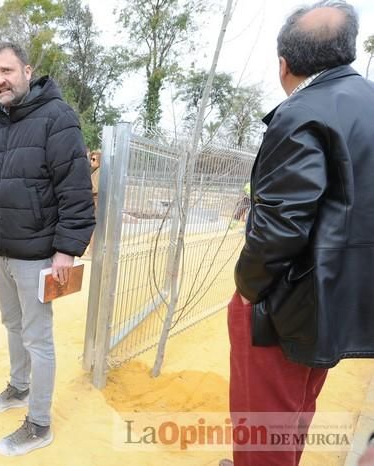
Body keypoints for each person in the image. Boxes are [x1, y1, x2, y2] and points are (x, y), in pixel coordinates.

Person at [230, 2, 374, 465]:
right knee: (297, 411)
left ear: (284, 64)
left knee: (265, 427)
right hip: (340, 300)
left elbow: (282, 223)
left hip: (288, 303)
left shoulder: (301, 112)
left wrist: (248, 287)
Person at [0, 42, 95, 456]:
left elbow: (76, 190)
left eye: (6, 71)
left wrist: (67, 250)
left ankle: (39, 424)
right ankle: (19, 387)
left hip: (38, 254)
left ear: (27, 70)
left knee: (37, 337)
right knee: (12, 324)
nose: (0, 81)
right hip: (2, 252)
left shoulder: (57, 117)